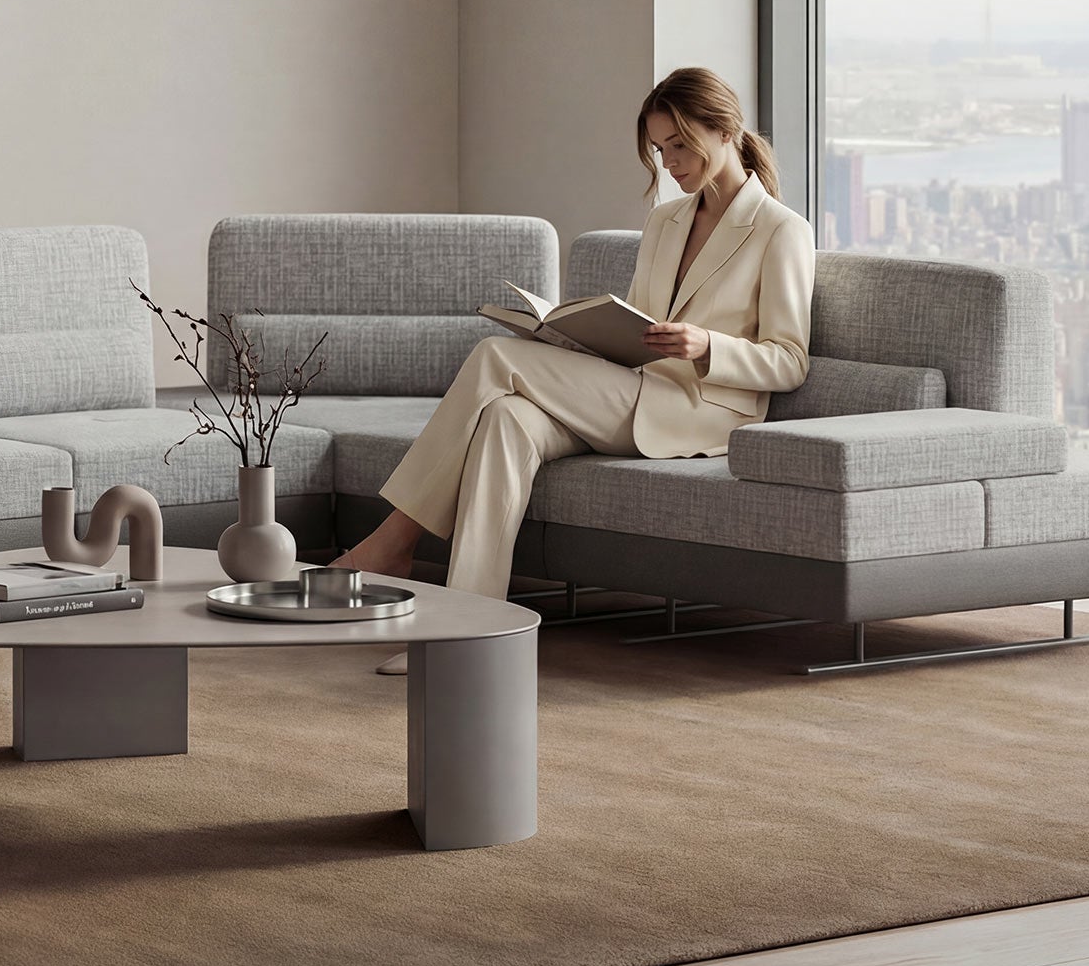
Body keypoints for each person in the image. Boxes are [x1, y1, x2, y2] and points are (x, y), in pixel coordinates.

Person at [336, 67, 814, 670]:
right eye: (659, 149)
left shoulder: (780, 230)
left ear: (724, 131)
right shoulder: (664, 221)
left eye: (679, 145)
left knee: (493, 355)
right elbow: (638, 328)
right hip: (633, 389)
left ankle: (392, 541)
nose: (669, 163)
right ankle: (466, 637)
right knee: (506, 420)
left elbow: (789, 361)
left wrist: (706, 345)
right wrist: (579, 336)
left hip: (700, 411)